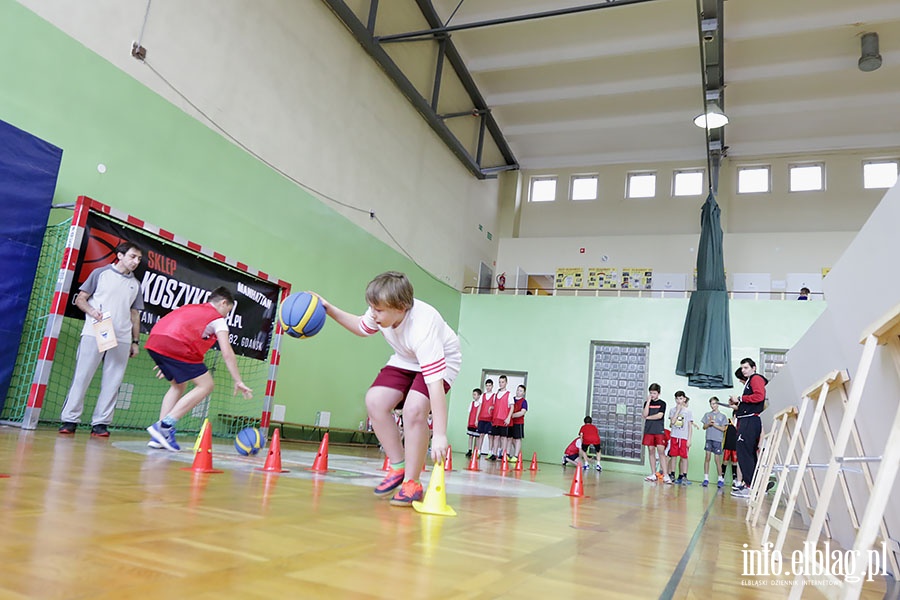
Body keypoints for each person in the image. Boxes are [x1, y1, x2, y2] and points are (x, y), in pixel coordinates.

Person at [316, 271, 461, 507]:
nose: (373, 314)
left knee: (415, 410)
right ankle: (398, 468)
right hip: (406, 357)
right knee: (375, 400)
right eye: (371, 308)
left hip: (443, 358)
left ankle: (412, 483)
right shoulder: (381, 311)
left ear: (402, 307)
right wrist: (328, 309)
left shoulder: (423, 329)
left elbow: (435, 388)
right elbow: (361, 327)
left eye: (379, 310)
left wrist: (441, 435)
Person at [145, 286, 253, 451]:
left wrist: (168, 359)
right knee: (206, 385)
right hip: (176, 346)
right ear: (223, 303)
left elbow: (174, 327)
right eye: (228, 311)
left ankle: (158, 437)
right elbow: (227, 352)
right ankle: (165, 427)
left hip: (155, 341)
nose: (226, 315)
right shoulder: (218, 319)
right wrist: (238, 380)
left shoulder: (191, 308)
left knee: (178, 385)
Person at [58, 242, 144, 437]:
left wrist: (135, 341)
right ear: (120, 255)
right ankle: (70, 420)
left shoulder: (136, 285)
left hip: (122, 336)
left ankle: (101, 424)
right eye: (132, 256)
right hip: (96, 330)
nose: (136, 261)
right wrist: (92, 311)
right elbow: (81, 299)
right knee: (82, 376)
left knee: (113, 381)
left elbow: (135, 315)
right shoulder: (100, 273)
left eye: (139, 259)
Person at [729, 358, 768, 498]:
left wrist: (740, 399)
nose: (743, 370)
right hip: (747, 418)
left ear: (754, 367)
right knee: (747, 452)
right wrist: (737, 405)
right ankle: (753, 485)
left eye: (746, 367)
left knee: (744, 451)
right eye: (742, 368)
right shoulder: (750, 381)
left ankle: (750, 485)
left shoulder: (756, 378)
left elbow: (759, 396)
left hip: (750, 420)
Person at [642, 383, 672, 484]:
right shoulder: (647, 403)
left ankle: (666, 475)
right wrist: (648, 402)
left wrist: (648, 418)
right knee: (651, 451)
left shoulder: (662, 403)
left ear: (658, 393)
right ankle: (653, 473)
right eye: (651, 393)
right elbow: (644, 414)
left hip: (658, 430)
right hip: (648, 430)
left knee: (661, 451)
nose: (652, 395)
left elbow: (659, 415)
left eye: (654, 393)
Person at [701, 396, 729, 487]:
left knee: (717, 460)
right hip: (709, 438)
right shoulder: (707, 415)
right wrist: (708, 424)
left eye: (714, 403)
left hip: (717, 440)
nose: (712, 406)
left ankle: (720, 479)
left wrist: (714, 425)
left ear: (718, 404)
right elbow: (704, 427)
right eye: (711, 404)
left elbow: (724, 429)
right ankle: (706, 478)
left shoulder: (722, 416)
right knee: (707, 457)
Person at [667, 391, 693, 484]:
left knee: (684, 457)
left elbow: (690, 426)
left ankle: (684, 476)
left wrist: (689, 439)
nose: (679, 400)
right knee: (673, 456)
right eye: (677, 398)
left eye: (681, 398)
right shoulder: (672, 410)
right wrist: (677, 411)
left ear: (684, 399)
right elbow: (672, 423)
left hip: (683, 437)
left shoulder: (688, 411)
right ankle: (672, 474)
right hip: (674, 436)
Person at [490, 375, 513, 460]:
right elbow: (496, 405)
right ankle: (494, 454)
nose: (501, 383)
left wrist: (508, 418)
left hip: (504, 419)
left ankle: (504, 454)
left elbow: (512, 407)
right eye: (499, 382)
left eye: (502, 382)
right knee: (496, 437)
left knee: (504, 438)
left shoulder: (509, 394)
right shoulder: (496, 394)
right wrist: (492, 408)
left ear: (506, 383)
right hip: (496, 419)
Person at [508, 384, 528, 461]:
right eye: (518, 390)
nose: (518, 392)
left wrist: (512, 415)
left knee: (517, 439)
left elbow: (522, 412)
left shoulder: (524, 401)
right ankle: (508, 454)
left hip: (518, 422)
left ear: (523, 393)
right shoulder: (512, 399)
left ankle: (516, 456)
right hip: (510, 422)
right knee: (510, 438)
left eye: (521, 391)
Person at [475, 379, 495, 456]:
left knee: (490, 436)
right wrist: (477, 418)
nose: (488, 387)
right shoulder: (483, 395)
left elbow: (495, 406)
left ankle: (490, 452)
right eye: (487, 385)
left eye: (489, 385)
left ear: (492, 386)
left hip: (490, 419)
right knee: (481, 435)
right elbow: (479, 407)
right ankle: (479, 451)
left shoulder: (494, 396)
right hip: (482, 418)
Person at [465, 388, 482, 458]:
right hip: (471, 422)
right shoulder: (472, 403)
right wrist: (468, 422)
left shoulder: (480, 404)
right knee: (470, 436)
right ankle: (469, 450)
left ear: (479, 396)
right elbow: (469, 413)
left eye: (475, 394)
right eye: (473, 394)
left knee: (477, 437)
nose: (473, 396)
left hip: (477, 423)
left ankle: (476, 450)